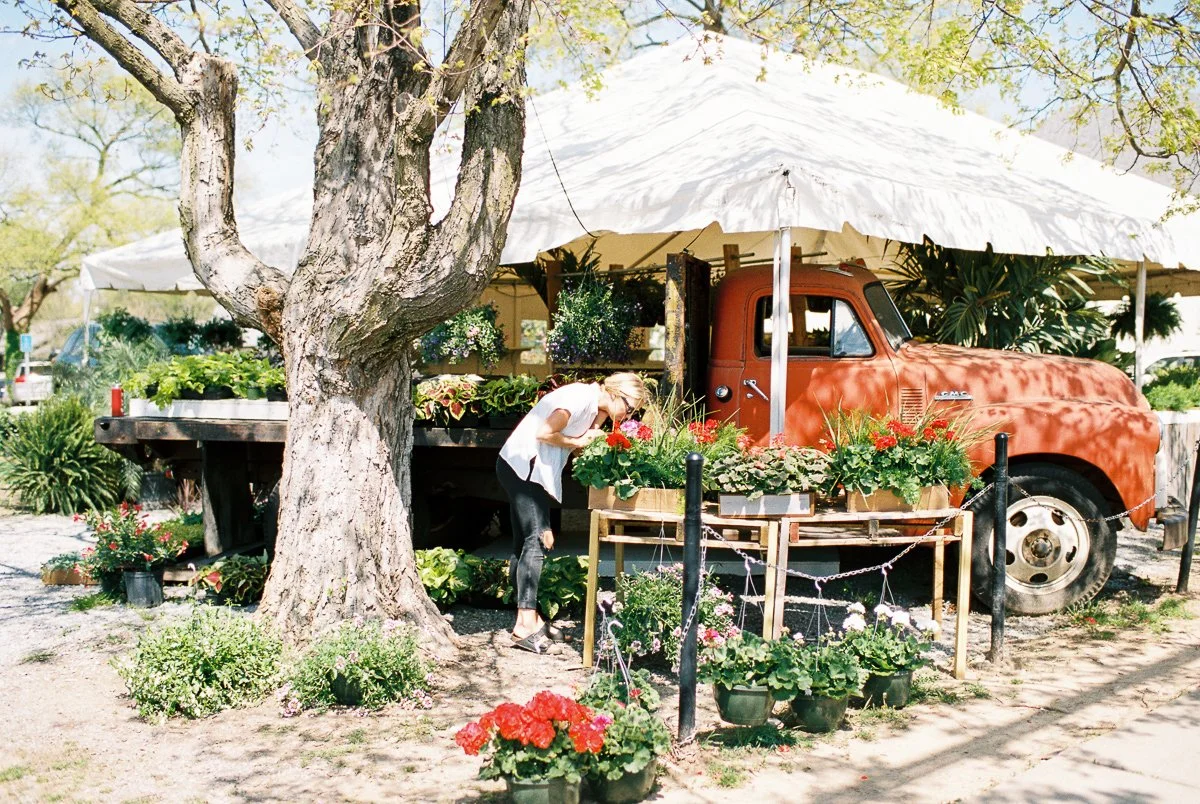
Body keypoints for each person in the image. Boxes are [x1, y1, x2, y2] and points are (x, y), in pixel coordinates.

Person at [496, 372, 647, 654]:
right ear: (616, 394)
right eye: (630, 408)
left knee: (523, 543)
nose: (629, 416)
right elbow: (545, 433)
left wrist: (600, 430)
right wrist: (579, 442)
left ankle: (531, 617)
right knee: (539, 540)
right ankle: (523, 625)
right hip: (524, 467)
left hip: (522, 468)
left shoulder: (594, 405)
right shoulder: (578, 399)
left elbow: (588, 432)